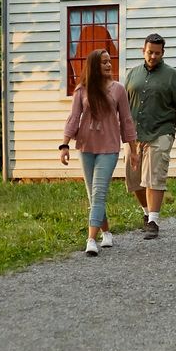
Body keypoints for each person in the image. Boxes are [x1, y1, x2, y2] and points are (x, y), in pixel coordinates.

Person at [61, 49, 136, 256]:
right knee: (93, 194)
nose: (108, 65)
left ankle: (91, 239)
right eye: (103, 62)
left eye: (109, 62)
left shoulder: (119, 89)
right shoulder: (82, 90)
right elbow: (74, 117)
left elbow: (127, 120)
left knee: (99, 192)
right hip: (86, 147)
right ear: (94, 65)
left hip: (109, 147)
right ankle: (107, 233)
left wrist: (134, 149)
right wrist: (65, 145)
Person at [124, 33, 176, 239]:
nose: (153, 56)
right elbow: (123, 105)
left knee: (154, 176)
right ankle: (146, 213)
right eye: (149, 52)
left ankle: (153, 220)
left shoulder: (171, 75)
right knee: (134, 179)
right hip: (134, 134)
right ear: (143, 50)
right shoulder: (132, 74)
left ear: (163, 53)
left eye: (157, 53)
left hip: (161, 131)